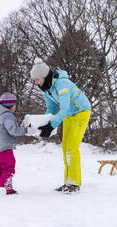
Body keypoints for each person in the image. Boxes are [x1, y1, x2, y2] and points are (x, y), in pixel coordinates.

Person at [30, 58, 91, 193]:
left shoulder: (62, 84)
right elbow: (51, 109)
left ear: (44, 76)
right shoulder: (46, 88)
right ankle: (68, 182)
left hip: (81, 112)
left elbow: (63, 108)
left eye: (36, 79)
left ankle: (74, 183)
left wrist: (52, 125)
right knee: (65, 148)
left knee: (71, 147)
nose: (35, 82)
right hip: (69, 115)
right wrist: (44, 123)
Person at [0, 92, 36, 195]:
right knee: (9, 167)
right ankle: (5, 188)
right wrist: (27, 130)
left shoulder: (0, 115)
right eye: (14, 105)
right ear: (10, 106)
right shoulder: (7, 116)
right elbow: (13, 130)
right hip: (4, 147)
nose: (15, 107)